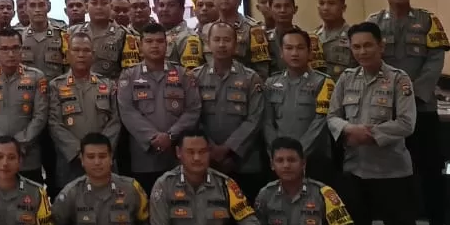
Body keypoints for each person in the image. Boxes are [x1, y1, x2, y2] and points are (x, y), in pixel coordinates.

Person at [326, 21, 428, 225]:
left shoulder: (399, 79)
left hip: (392, 174)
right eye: (356, 47)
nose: (362, 52)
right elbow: (332, 116)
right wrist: (348, 129)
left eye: (367, 45)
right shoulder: (346, 79)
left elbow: (407, 123)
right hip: (355, 172)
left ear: (381, 46)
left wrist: (370, 135)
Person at [368, 0, 450, 225]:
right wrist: (392, 99)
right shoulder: (373, 23)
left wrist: (412, 95)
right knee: (395, 176)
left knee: (430, 173)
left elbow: (435, 61)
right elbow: (371, 61)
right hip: (388, 112)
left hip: (422, 108)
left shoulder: (428, 21)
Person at [118, 25, 200, 193]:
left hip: (177, 155)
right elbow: (127, 111)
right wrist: (152, 137)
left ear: (167, 45)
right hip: (144, 158)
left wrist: (170, 136)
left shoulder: (183, 74)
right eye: (149, 41)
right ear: (140, 46)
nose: (155, 45)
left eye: (159, 41)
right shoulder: (129, 76)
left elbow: (193, 109)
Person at [194, 22, 267, 198]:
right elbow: (193, 117)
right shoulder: (195, 77)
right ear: (208, 43)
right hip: (206, 158)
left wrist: (229, 149)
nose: (221, 44)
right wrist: (211, 149)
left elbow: (255, 119)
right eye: (217, 39)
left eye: (227, 40)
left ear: (235, 44)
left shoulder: (251, 78)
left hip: (244, 161)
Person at [47, 32, 121, 185]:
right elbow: (54, 123)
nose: (81, 55)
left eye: (86, 50)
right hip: (71, 162)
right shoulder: (56, 86)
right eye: (76, 50)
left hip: (104, 161)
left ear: (93, 55)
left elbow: (115, 120)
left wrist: (100, 152)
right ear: (68, 55)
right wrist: (79, 152)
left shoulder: (107, 85)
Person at [262, 28, 335, 182]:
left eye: (300, 48)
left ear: (309, 52)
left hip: (314, 159)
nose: (294, 53)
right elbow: (267, 122)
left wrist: (297, 154)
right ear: (281, 53)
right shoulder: (271, 83)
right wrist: (278, 153)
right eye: (289, 48)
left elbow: (320, 122)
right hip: (280, 160)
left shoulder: (323, 82)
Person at [0, 29, 49, 174]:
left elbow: (40, 116)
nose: (11, 54)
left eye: (15, 48)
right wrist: (0, 146)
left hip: (27, 157)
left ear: (22, 49)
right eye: (5, 49)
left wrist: (19, 144)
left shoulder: (36, 77)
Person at [70, 0, 139, 78]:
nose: (99, 7)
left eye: (104, 3)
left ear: (111, 6)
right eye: (94, 3)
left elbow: (130, 72)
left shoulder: (125, 35)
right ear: (86, 7)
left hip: (109, 86)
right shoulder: (72, 32)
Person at [18, 0, 69, 81]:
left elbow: (69, 69)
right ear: (25, 9)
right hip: (26, 88)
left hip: (54, 88)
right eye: (32, 5)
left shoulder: (62, 36)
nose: (37, 10)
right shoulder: (18, 37)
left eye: (41, 5)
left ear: (48, 6)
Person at [265, 0, 316, 76]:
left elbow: (317, 73)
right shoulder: (264, 39)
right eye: (277, 6)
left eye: (287, 6)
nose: (282, 10)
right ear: (270, 10)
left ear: (295, 9)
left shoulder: (310, 38)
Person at [154, 0, 204, 70]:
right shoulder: (150, 34)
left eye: (171, 5)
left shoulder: (189, 38)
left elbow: (189, 74)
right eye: (161, 5)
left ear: (182, 9)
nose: (165, 9)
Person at [312, 0, 355, 77]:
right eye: (321, 3)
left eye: (331, 3)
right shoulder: (312, 37)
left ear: (343, 7)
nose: (325, 8)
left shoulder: (353, 36)